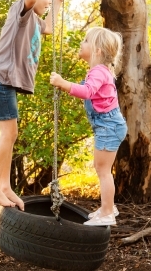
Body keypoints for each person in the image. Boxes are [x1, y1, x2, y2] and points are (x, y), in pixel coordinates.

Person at [0, 0, 68, 211]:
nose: (45, 1)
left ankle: (4, 185)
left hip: (4, 82)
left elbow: (50, 28)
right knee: (8, 133)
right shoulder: (22, 11)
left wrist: (57, 1)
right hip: (0, 79)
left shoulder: (36, 21)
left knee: (11, 133)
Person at [49, 27, 127, 226]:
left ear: (97, 51)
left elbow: (87, 92)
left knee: (103, 170)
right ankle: (107, 206)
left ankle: (108, 212)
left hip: (108, 126)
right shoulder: (99, 71)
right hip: (108, 125)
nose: (81, 43)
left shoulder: (99, 72)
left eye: (85, 40)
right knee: (101, 168)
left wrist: (62, 83)